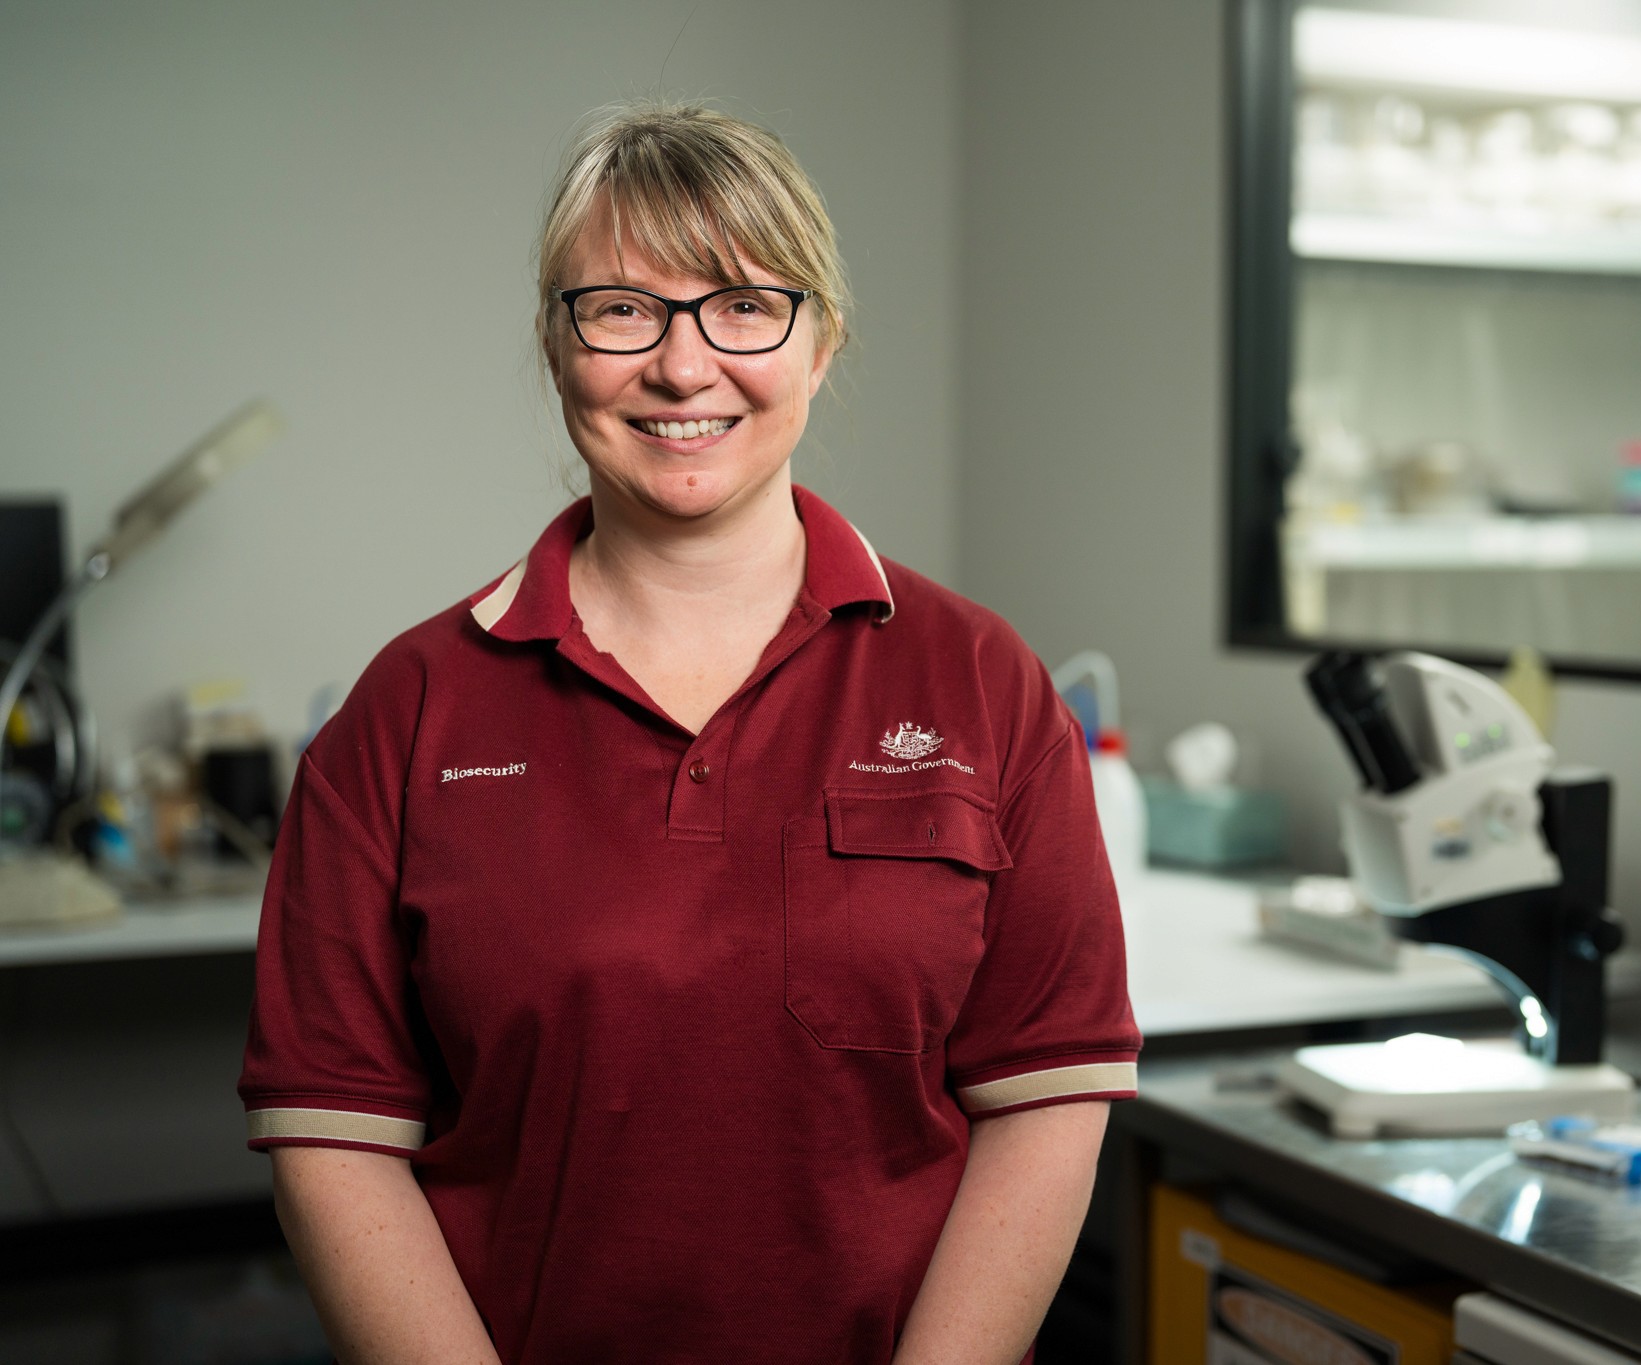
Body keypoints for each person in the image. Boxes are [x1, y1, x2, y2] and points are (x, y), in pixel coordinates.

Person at [239, 101, 1140, 1364]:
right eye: (620, 308)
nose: (681, 364)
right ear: (556, 349)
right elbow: (333, 1135)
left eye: (744, 305)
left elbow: (1044, 1107)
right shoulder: (407, 710)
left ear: (818, 343)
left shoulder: (982, 681)